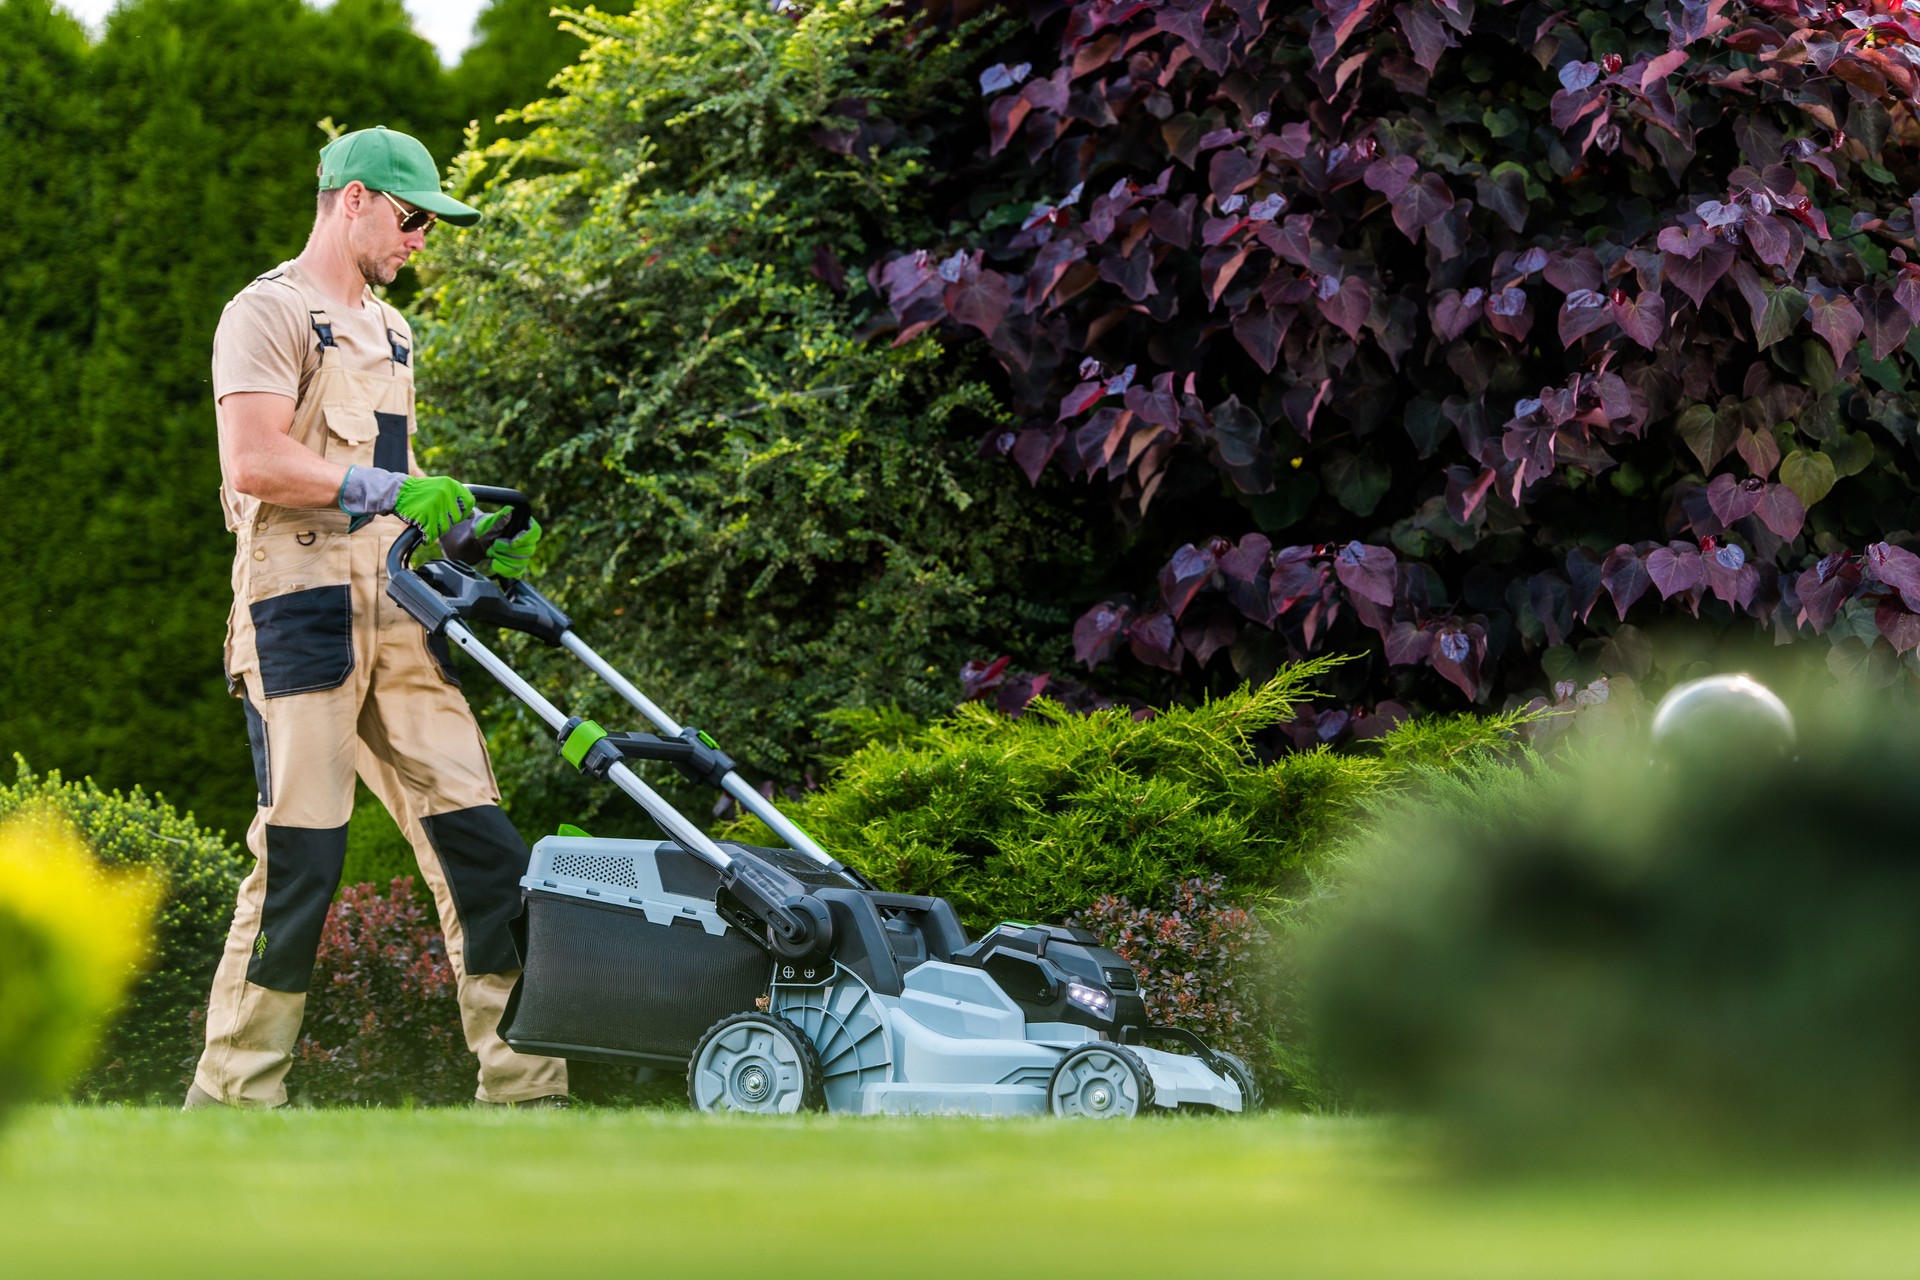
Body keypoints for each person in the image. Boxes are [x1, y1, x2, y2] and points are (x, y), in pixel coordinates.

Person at [186, 126, 567, 1109]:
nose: (421, 238)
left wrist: (470, 536)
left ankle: (528, 1096)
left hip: (396, 615)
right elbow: (256, 462)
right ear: (353, 199)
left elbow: (401, 496)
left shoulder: (393, 334)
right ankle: (233, 1099)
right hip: (298, 611)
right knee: (303, 857)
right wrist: (388, 483)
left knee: (483, 844)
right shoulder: (264, 314)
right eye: (412, 218)